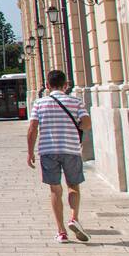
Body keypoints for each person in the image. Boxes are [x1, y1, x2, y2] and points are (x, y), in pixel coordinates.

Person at [27, 69, 91, 244]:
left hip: (48, 151)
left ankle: (61, 231)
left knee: (55, 190)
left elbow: (32, 129)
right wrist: (75, 125)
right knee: (73, 187)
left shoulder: (39, 104)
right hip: (71, 150)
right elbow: (87, 124)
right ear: (66, 85)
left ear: (47, 86)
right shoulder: (76, 102)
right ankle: (74, 218)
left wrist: (30, 152)